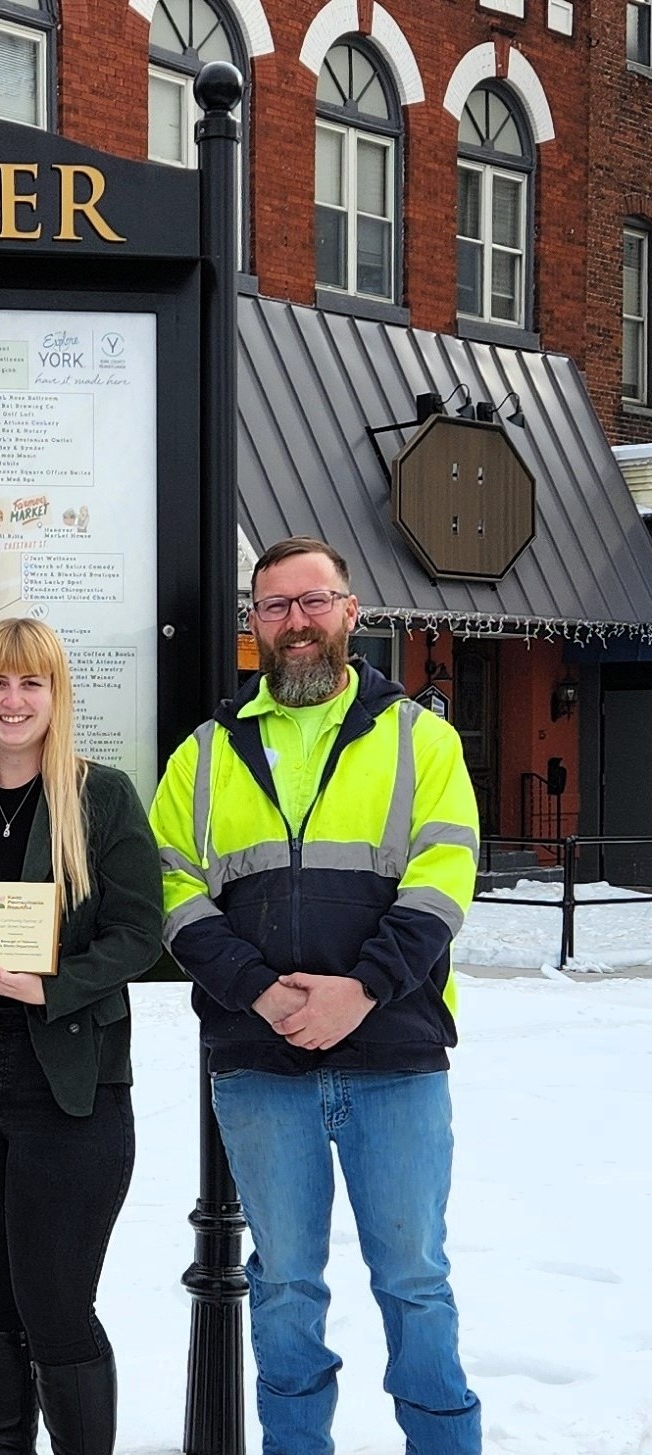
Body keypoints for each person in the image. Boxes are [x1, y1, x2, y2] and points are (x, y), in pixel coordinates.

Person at [149, 536, 482, 1455]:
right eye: (275, 606)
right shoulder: (206, 754)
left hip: (395, 1060)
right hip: (261, 1065)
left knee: (414, 1281)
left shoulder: (422, 739)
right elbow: (171, 887)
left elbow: (444, 881)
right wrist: (258, 991)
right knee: (286, 1285)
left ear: (350, 611)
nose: (296, 621)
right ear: (254, 624)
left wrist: (362, 989)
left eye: (313, 601)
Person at [0, 617, 162, 1455]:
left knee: (56, 1307)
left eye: (30, 683)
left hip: (67, 1086)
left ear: (56, 695)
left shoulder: (101, 797)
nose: (12, 701)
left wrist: (53, 984)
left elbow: (140, 932)